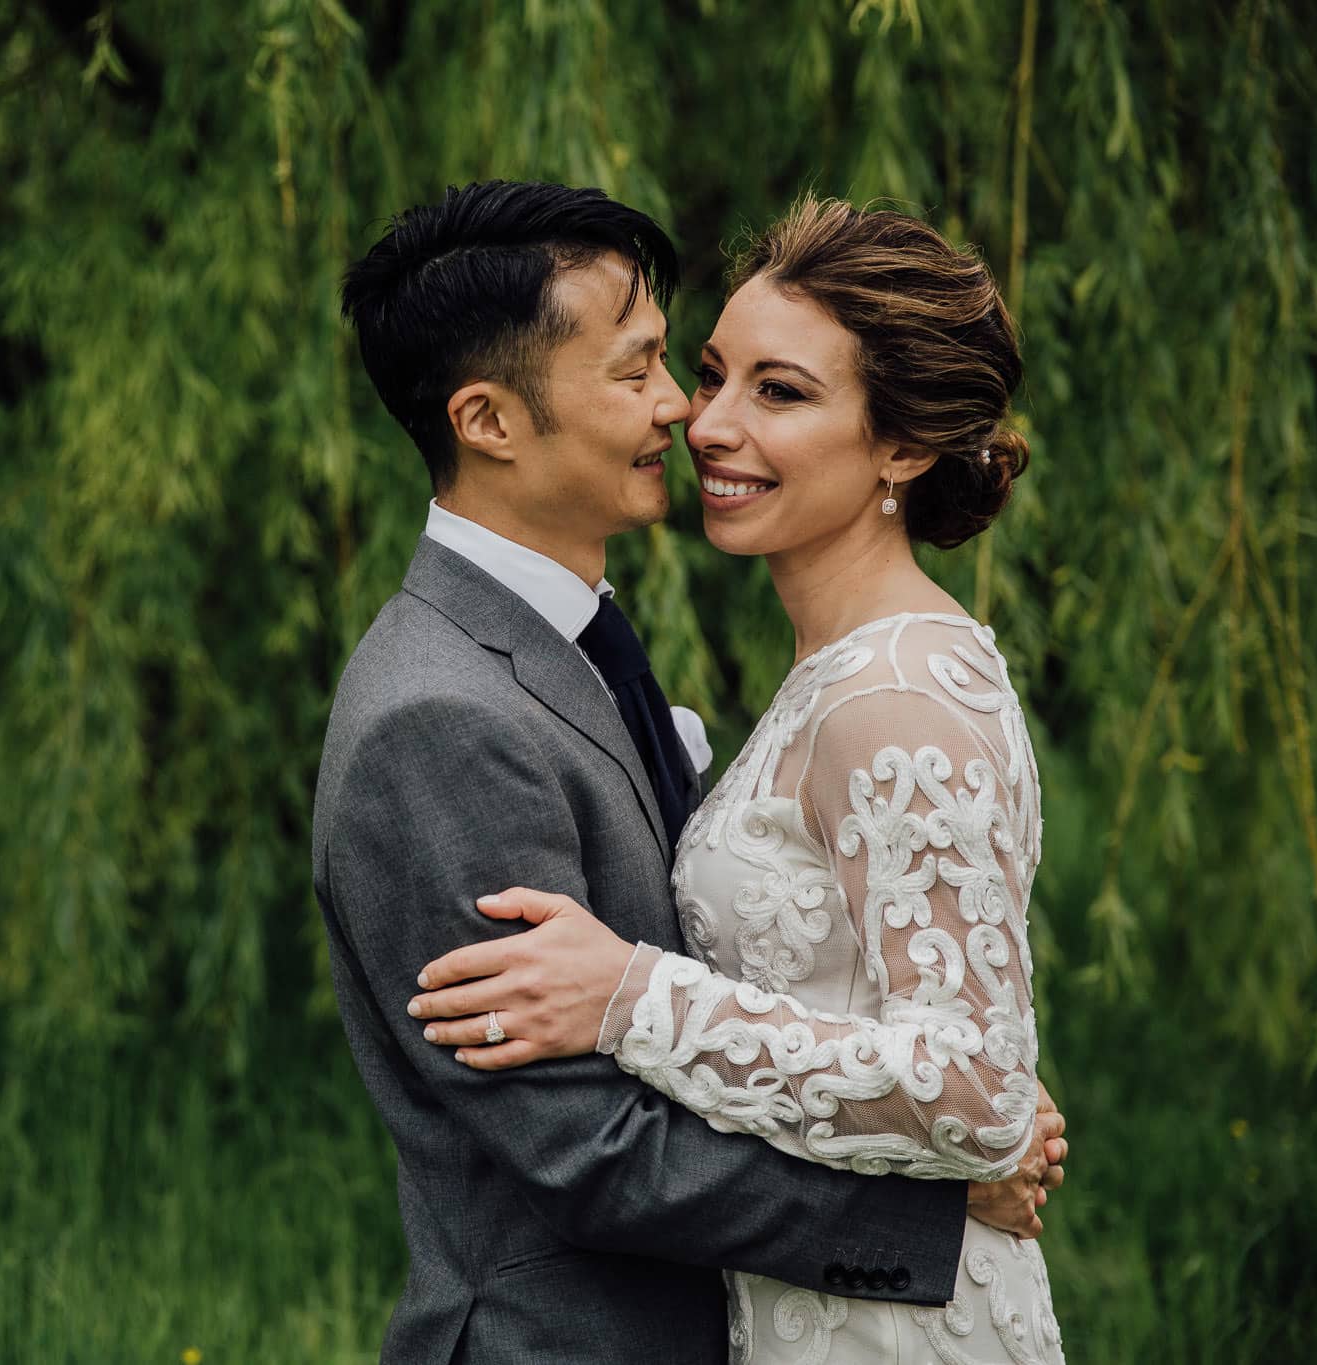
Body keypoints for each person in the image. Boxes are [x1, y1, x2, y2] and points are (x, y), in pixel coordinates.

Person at [312, 181, 1065, 1364]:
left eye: (746, 383)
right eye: (653, 372)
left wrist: (633, 995)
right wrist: (928, 1201)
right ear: (489, 421)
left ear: (902, 447)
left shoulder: (840, 683)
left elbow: (950, 1056)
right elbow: (580, 1147)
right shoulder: (437, 716)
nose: (689, 416)